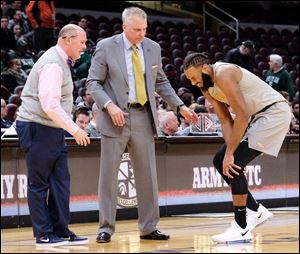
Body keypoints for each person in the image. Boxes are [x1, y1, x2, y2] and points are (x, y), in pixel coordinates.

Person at [87, 7, 198, 243]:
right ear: (124, 26)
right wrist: (109, 106)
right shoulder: (106, 46)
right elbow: (93, 83)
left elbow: (161, 81)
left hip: (142, 116)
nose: (141, 34)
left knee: (147, 175)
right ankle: (105, 227)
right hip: (114, 117)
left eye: (144, 29)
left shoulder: (152, 47)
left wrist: (180, 106)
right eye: (137, 29)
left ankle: (148, 227)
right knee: (108, 175)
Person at [183, 52, 291, 243]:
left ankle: (241, 226)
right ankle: (255, 210)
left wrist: (232, 153)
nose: (192, 82)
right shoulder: (206, 86)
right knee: (221, 161)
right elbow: (225, 120)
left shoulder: (224, 73)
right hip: (259, 117)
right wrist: (229, 152)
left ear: (205, 68)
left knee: (233, 163)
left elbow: (241, 114)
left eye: (194, 77)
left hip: (273, 112)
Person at [15, 24, 90, 248]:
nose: (85, 47)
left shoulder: (62, 62)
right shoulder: (52, 64)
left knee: (60, 183)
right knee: (39, 184)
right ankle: (44, 235)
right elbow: (49, 105)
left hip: (51, 129)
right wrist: (74, 129)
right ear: (67, 40)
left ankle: (60, 230)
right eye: (82, 42)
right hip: (37, 127)